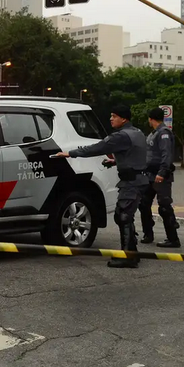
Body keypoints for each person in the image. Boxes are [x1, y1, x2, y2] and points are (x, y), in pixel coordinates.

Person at [54, 105, 148, 268]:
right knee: (125, 215)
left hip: (132, 182)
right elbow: (134, 153)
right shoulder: (137, 132)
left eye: (114, 116)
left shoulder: (120, 136)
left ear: (123, 119)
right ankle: (132, 253)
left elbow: (97, 148)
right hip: (138, 179)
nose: (111, 119)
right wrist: (115, 161)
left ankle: (128, 257)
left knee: (123, 216)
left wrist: (70, 153)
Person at [139, 108, 181, 248]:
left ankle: (173, 239)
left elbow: (166, 155)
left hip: (160, 176)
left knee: (164, 206)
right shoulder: (153, 134)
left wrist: (162, 172)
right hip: (150, 175)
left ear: (151, 119)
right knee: (144, 203)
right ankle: (148, 234)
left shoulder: (164, 134)